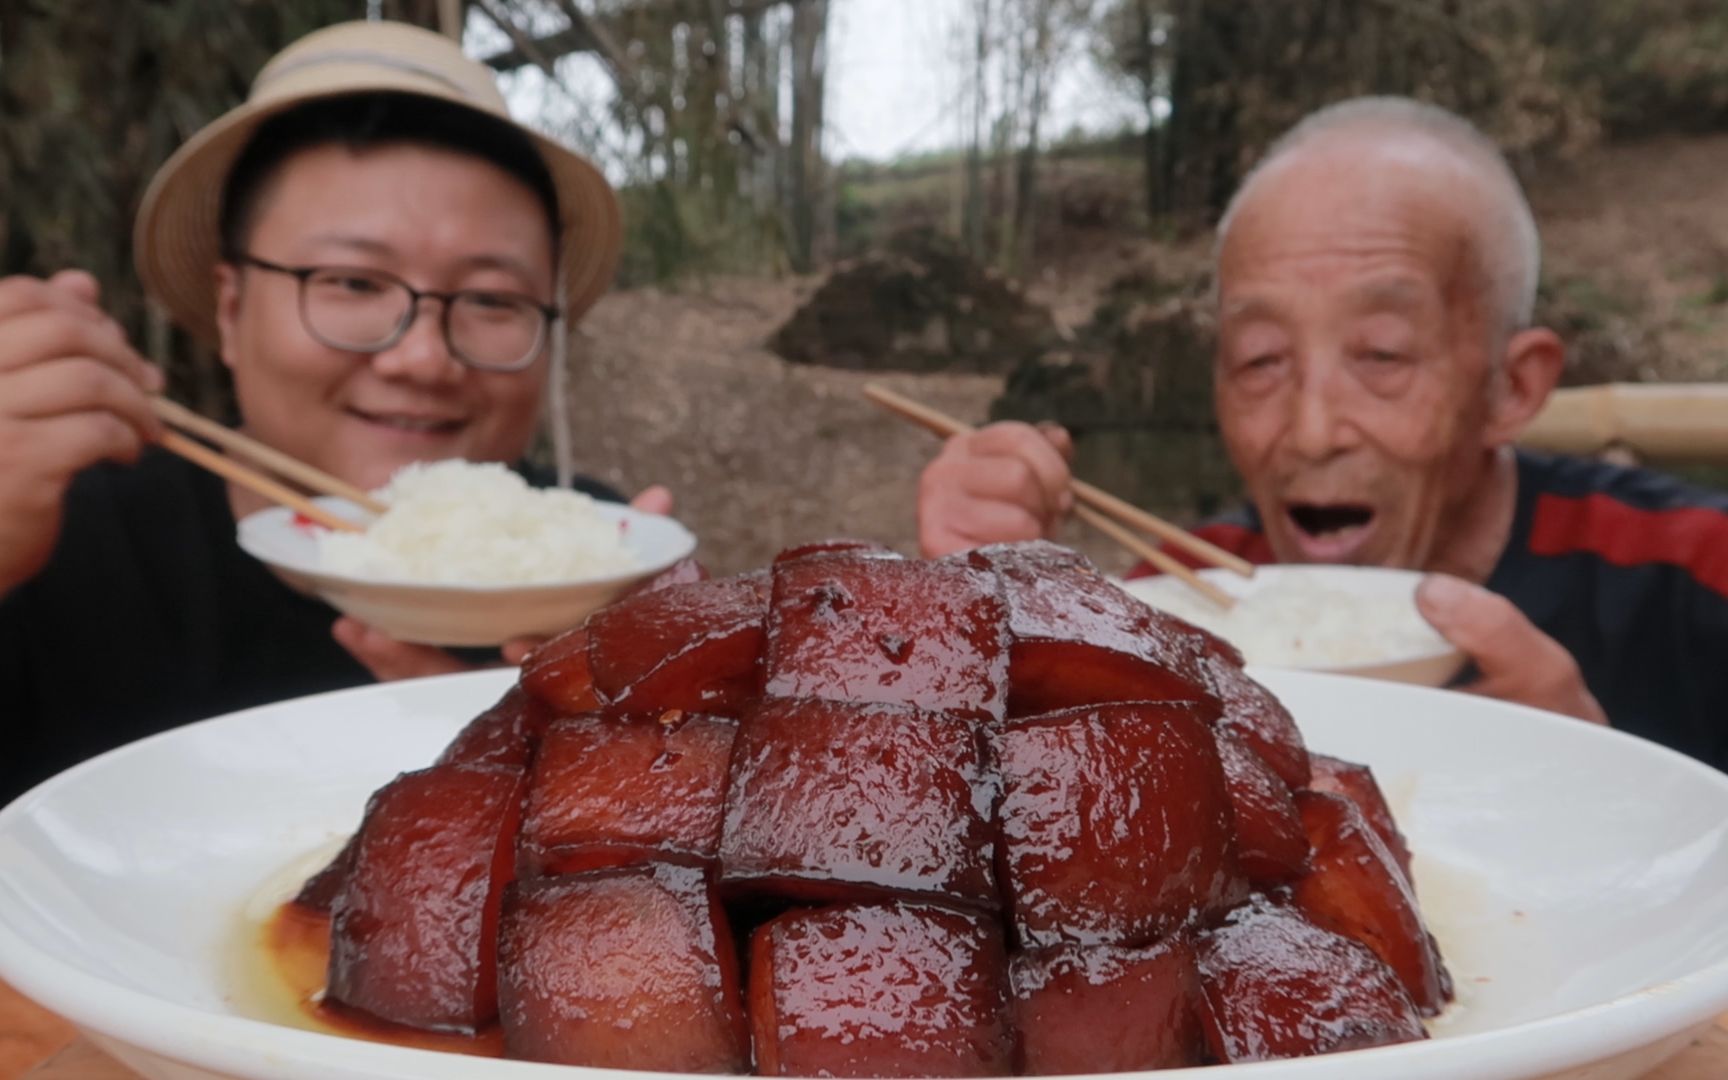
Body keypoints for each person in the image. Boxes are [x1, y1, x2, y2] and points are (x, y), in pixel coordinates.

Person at [918, 96, 1728, 771]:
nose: (1309, 432)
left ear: (1510, 388)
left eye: (1382, 354)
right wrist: (985, 632)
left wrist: (1622, 792)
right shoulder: (1180, 606)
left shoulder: (1693, 570)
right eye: (1261, 360)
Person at [0, 21, 668, 801]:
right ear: (230, 307)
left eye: (492, 299)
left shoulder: (599, 568)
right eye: (352, 283)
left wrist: (629, 747)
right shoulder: (56, 540)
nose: (423, 358)